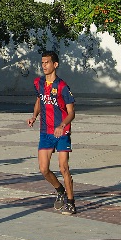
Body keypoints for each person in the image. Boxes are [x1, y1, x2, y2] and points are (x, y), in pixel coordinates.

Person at [27, 50, 77, 214]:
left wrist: (62, 125)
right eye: (42, 63)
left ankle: (71, 202)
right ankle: (60, 190)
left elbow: (71, 113)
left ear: (55, 64)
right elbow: (39, 100)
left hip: (62, 133)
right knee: (43, 169)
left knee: (63, 168)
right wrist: (34, 116)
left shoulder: (62, 87)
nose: (44, 66)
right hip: (45, 132)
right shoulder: (38, 82)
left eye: (47, 62)